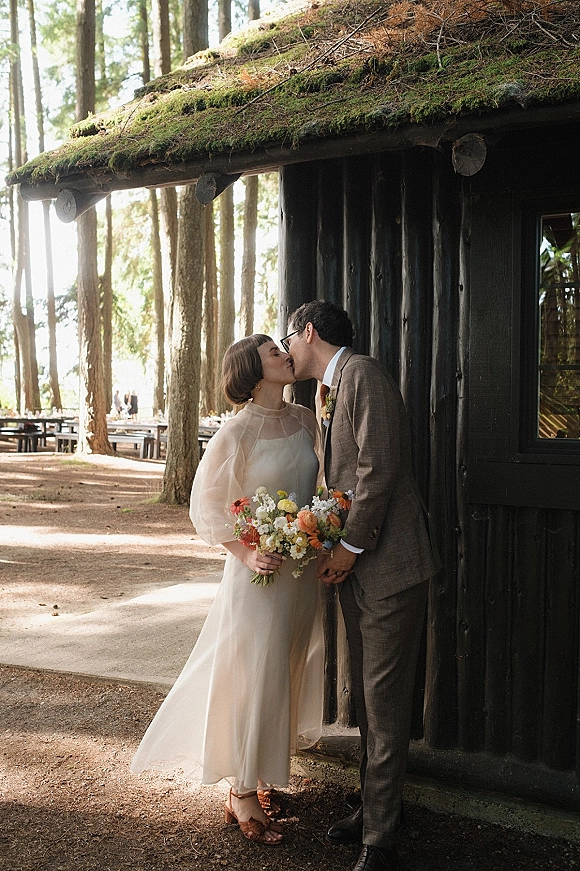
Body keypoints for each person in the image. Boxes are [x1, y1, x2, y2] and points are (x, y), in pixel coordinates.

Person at [131, 335, 324, 846]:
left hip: (301, 571)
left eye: (283, 347)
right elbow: (207, 506)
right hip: (259, 575)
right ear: (251, 371)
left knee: (287, 666)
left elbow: (321, 488)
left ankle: (262, 773)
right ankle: (240, 790)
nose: (284, 353)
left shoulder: (306, 420)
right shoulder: (235, 433)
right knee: (253, 672)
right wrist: (245, 551)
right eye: (271, 352)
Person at [284, 301, 439, 871]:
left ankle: (381, 841)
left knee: (385, 699)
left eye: (288, 341)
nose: (287, 354)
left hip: (391, 565)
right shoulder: (328, 388)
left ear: (307, 333)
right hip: (359, 567)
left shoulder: (364, 374)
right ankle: (377, 813)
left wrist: (347, 548)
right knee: (374, 702)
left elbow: (378, 467)